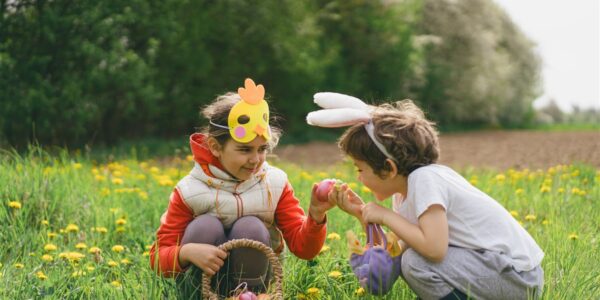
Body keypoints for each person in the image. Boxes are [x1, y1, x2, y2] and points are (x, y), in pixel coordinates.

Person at [307, 94, 544, 300]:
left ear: (389, 169)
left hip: (518, 278)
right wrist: (362, 214)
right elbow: (394, 252)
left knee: (417, 263)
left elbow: (434, 248)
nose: (358, 178)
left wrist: (386, 216)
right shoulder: (405, 193)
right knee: (410, 259)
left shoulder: (425, 180)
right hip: (496, 271)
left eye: (360, 169)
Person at [150, 78, 335, 298]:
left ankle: (248, 295)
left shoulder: (275, 184)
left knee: (251, 226)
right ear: (215, 147)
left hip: (254, 281)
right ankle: (199, 295)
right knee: (205, 226)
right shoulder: (190, 191)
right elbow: (157, 258)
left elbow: (304, 249)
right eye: (245, 150)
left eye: (262, 149)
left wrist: (316, 215)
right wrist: (186, 252)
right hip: (201, 282)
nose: (255, 160)